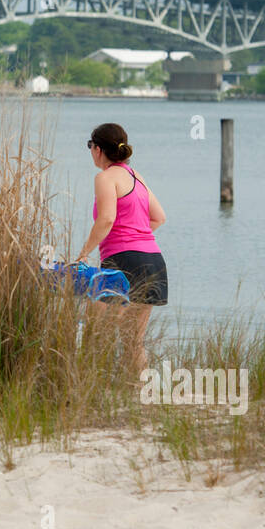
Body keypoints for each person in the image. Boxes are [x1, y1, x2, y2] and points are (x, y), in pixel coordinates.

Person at [73, 123, 167, 372]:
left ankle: (92, 390)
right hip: (153, 262)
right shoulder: (136, 176)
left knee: (96, 333)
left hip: (122, 263)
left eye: (90, 145)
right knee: (134, 342)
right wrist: (135, 235)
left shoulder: (104, 178)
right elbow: (158, 218)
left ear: (98, 149)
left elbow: (106, 219)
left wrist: (82, 255)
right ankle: (138, 398)